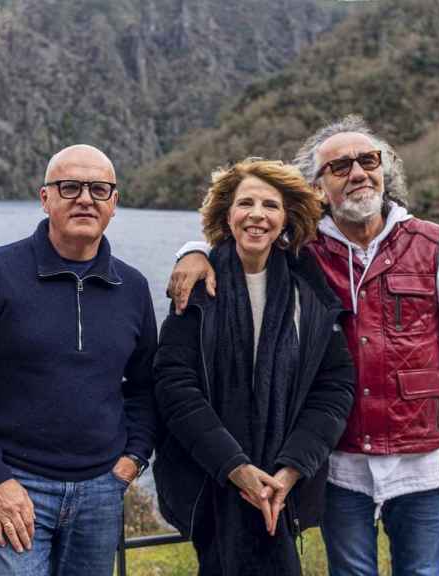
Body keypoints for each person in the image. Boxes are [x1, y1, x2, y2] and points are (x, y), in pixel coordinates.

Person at [169, 116, 439, 576]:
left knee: (423, 572)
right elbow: (246, 231)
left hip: (420, 453)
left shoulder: (433, 243)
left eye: (368, 160)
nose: (358, 173)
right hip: (341, 457)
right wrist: (194, 251)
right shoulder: (303, 249)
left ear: (385, 171)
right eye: (340, 166)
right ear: (319, 187)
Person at [0, 144, 159, 576]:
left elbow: (146, 385)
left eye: (99, 189)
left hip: (101, 489)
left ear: (114, 203)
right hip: (15, 484)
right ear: (45, 198)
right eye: (70, 186)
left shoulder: (131, 287)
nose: (84, 198)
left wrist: (131, 462)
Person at [154, 158, 356, 575]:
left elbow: (334, 387)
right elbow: (174, 384)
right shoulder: (196, 290)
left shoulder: (309, 296)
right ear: (227, 216)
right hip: (212, 482)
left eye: (271, 205)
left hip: (285, 482)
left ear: (286, 220)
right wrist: (234, 467)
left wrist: (293, 468)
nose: (258, 215)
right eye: (246, 203)